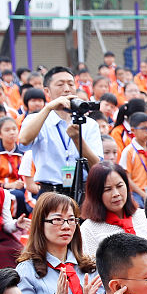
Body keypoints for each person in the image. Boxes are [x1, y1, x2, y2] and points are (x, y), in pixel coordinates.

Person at [16, 193, 101, 294]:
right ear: (40, 224)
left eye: (71, 220)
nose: (66, 226)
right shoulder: (27, 270)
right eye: (57, 220)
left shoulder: (90, 266)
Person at [18, 66, 103, 196]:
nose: (67, 89)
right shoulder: (36, 119)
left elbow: (96, 166)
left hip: (83, 192)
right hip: (50, 193)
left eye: (70, 84)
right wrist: (48, 108)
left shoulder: (89, 124)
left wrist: (77, 140)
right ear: (47, 91)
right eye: (60, 84)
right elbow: (24, 142)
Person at [78, 162, 147, 256]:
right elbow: (91, 267)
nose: (116, 194)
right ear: (95, 194)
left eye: (119, 186)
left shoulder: (143, 216)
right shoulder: (89, 229)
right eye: (108, 189)